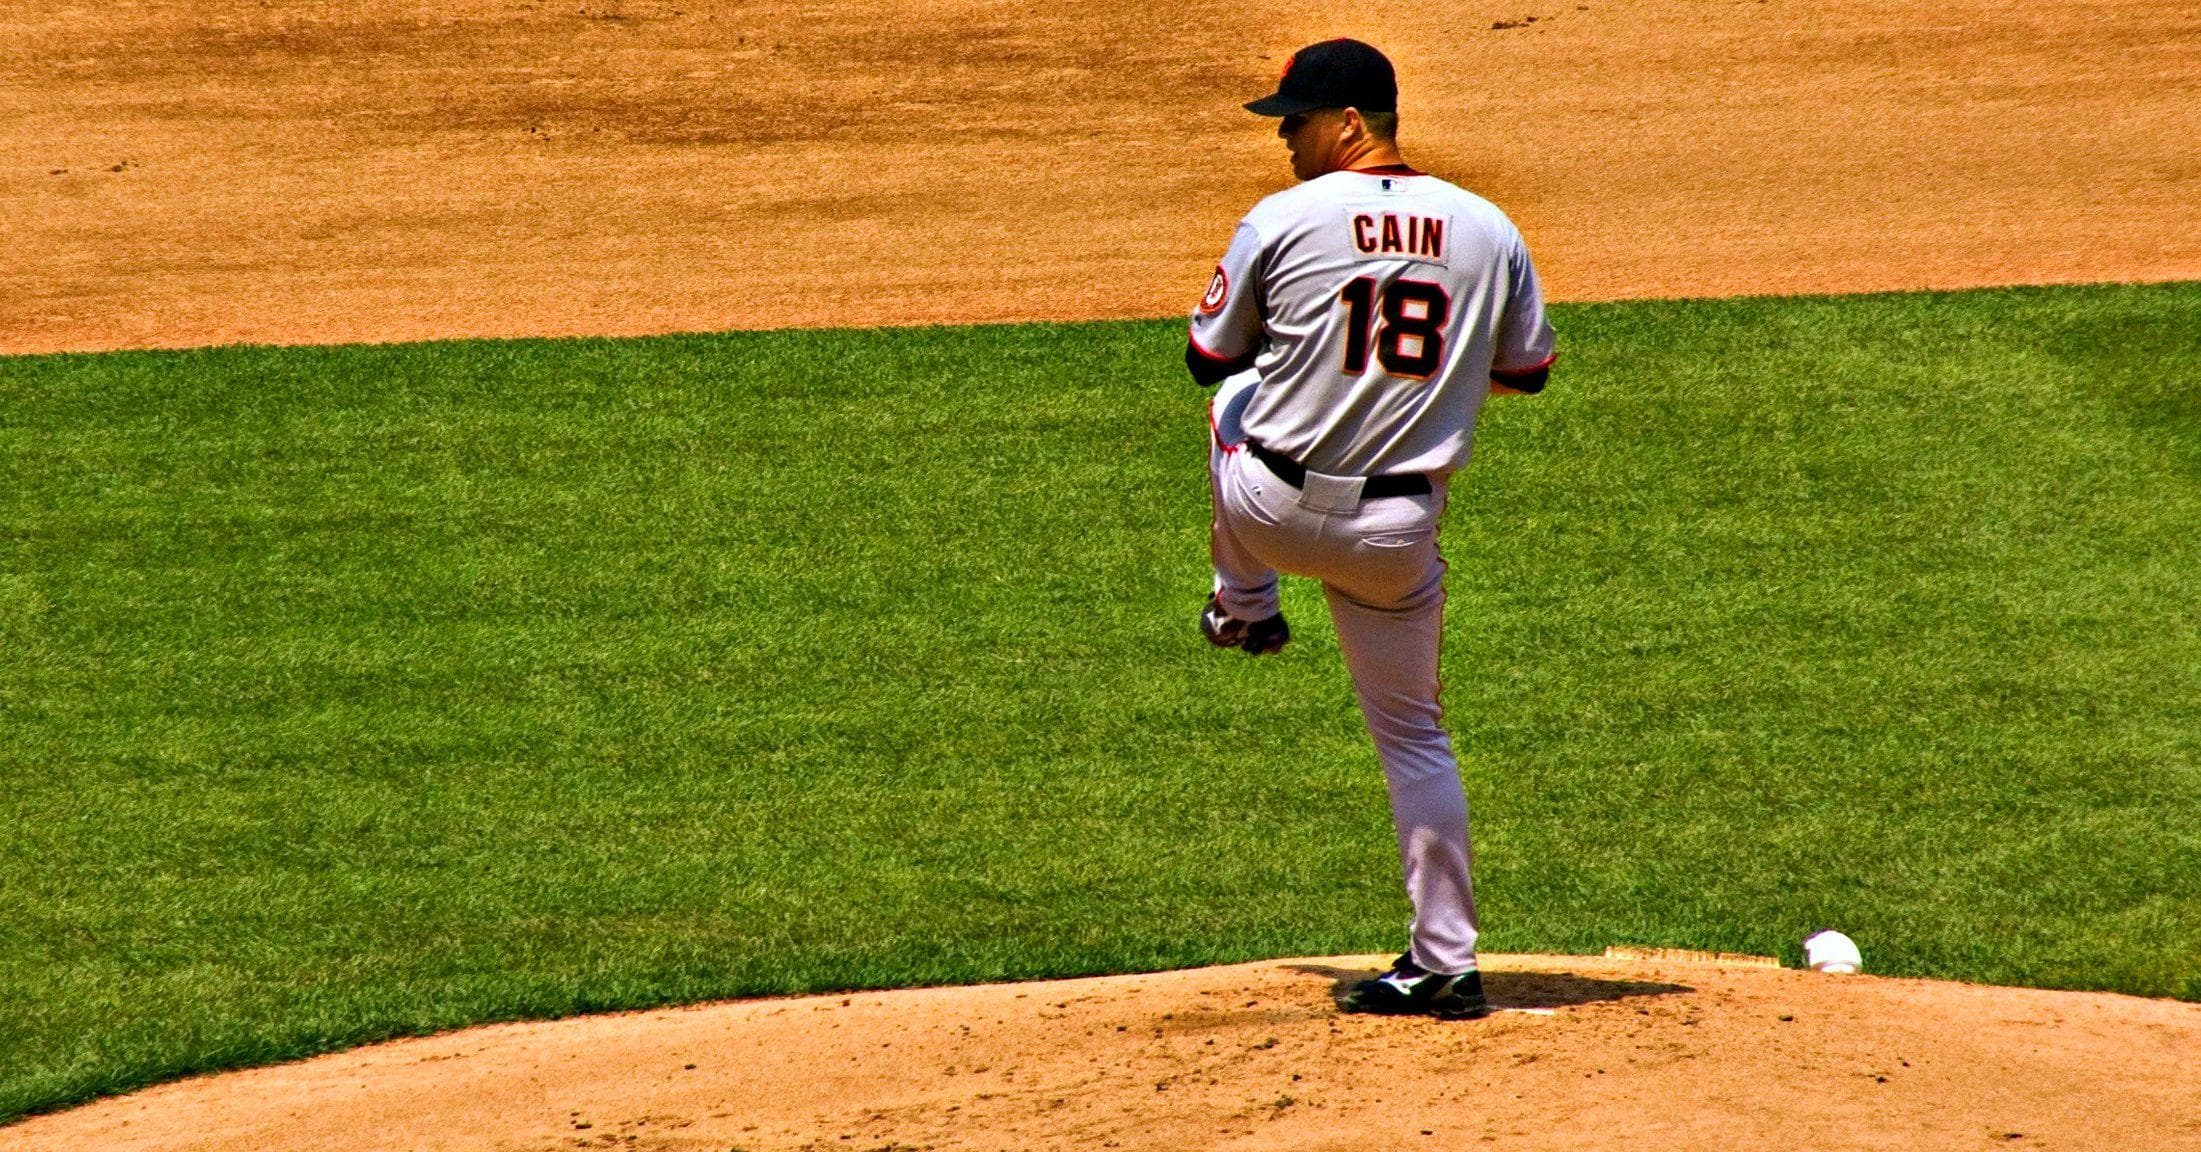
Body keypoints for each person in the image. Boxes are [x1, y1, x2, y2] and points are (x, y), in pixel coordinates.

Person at [1188, 38, 1556, 1020]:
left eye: (1295, 122)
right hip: (1394, 536)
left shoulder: (1279, 218)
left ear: (1347, 123)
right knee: (1415, 741)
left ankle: (1242, 607)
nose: (1285, 142)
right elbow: (1527, 371)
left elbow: (1204, 352)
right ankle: (1445, 961)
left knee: (1232, 401)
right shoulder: (1487, 226)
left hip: (1265, 512)